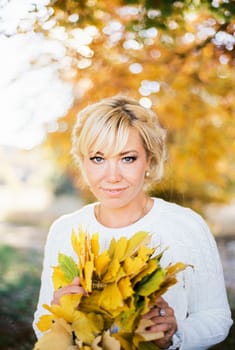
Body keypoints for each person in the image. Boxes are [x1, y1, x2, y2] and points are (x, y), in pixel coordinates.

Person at [33, 95, 232, 349]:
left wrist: (176, 334)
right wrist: (60, 320)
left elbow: (217, 318)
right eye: (98, 158)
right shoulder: (65, 230)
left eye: (127, 158)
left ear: (149, 160)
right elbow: (42, 320)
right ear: (83, 162)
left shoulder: (187, 226)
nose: (112, 176)